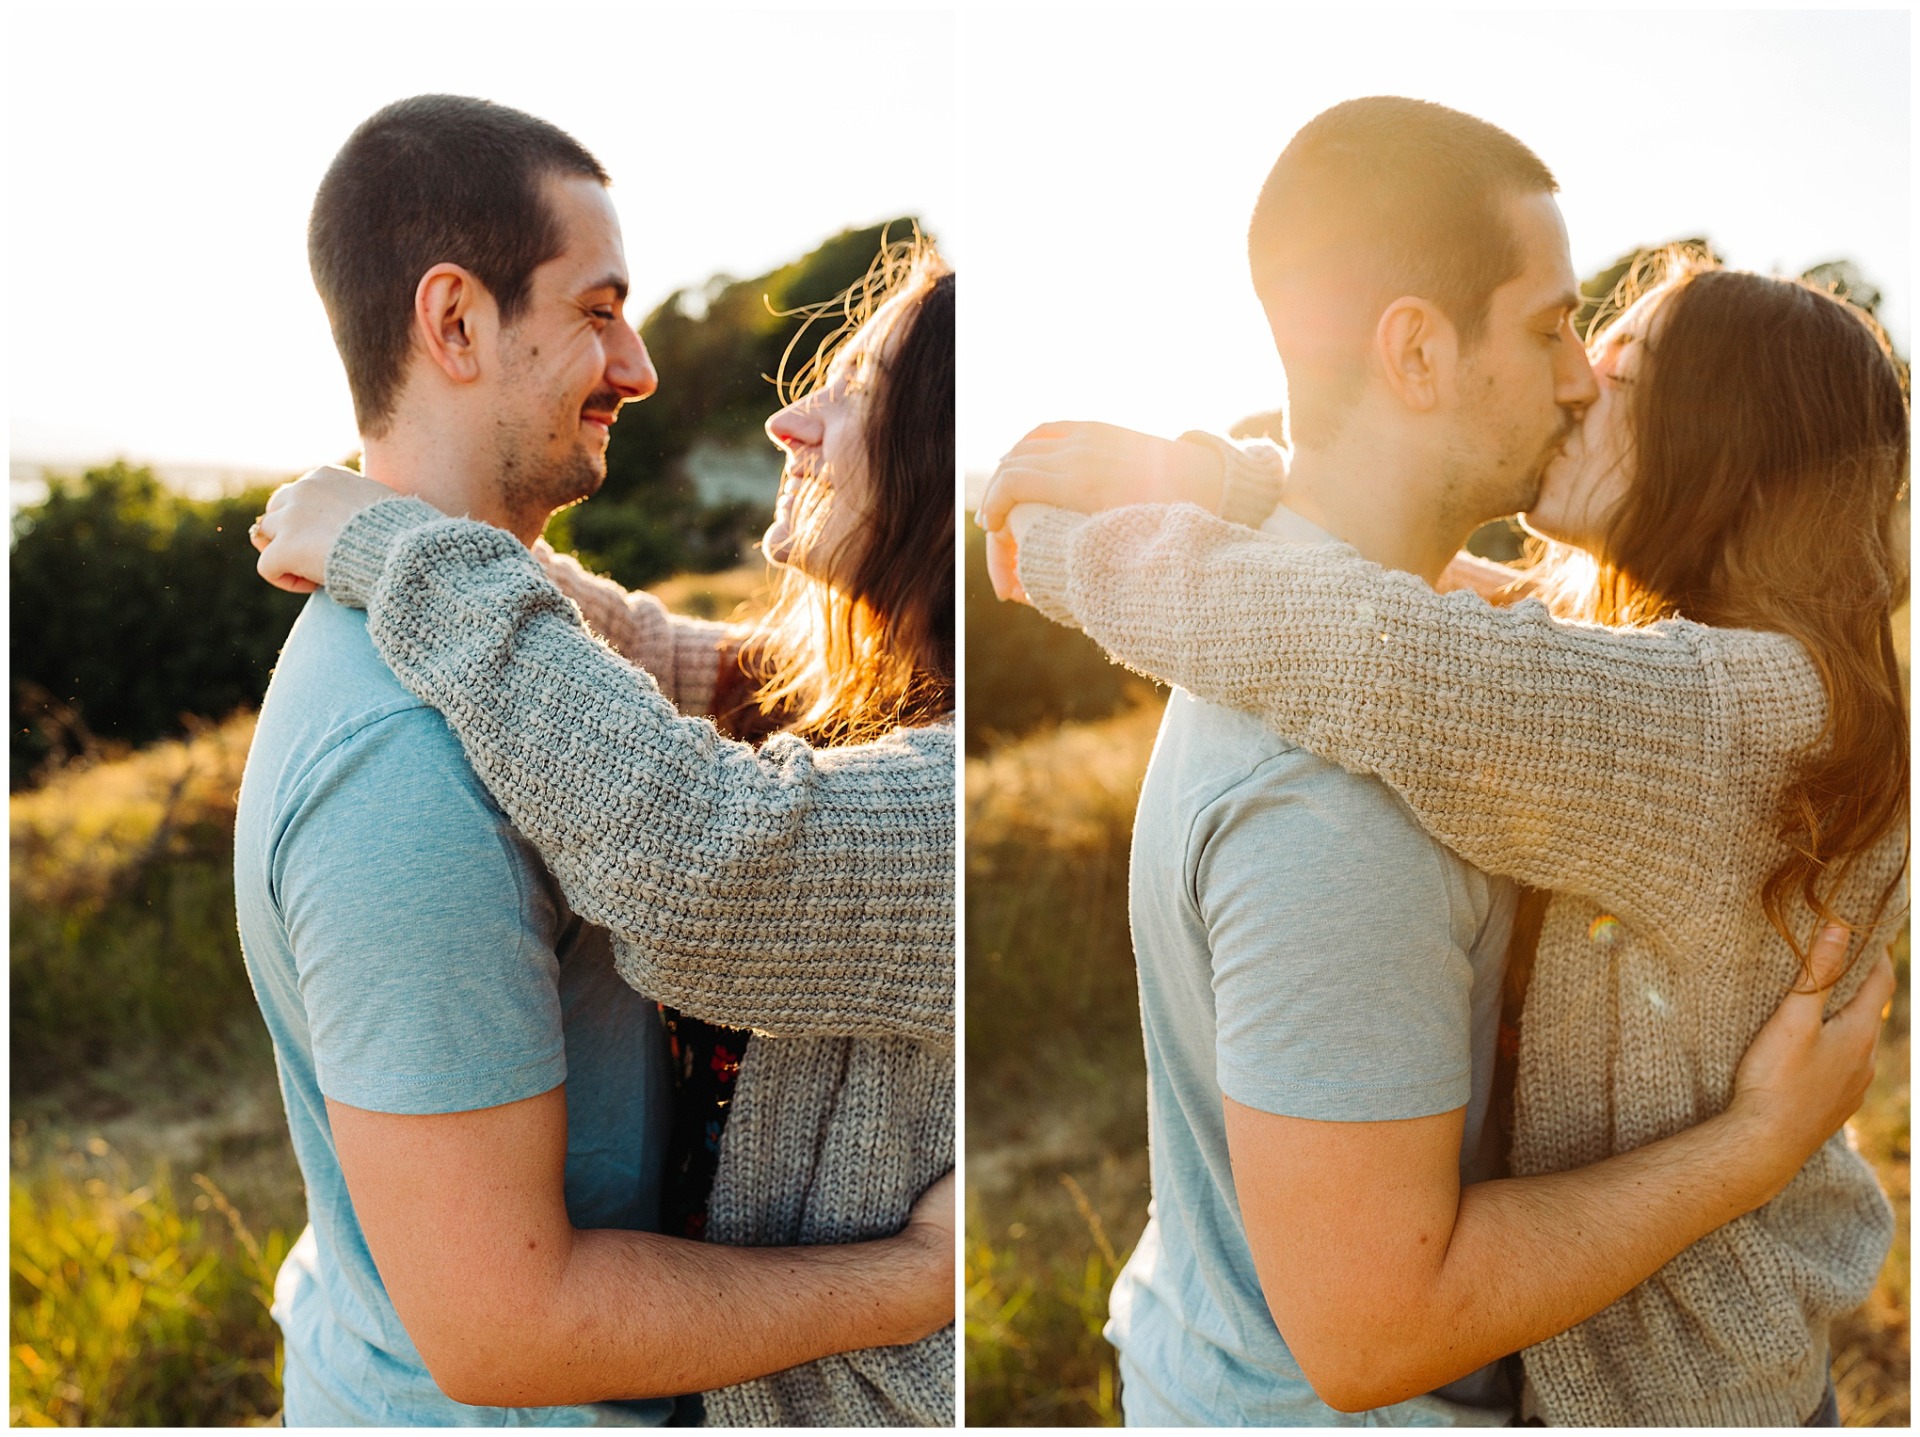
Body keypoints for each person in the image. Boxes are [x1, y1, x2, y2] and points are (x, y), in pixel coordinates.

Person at [975, 97, 1899, 1427]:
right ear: (1413, 350)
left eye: (1616, 369)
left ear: (1733, 458)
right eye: (1559, 331)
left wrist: (1063, 540)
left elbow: (1389, 650)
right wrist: (1231, 485)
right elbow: (1464, 629)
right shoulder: (1711, 678)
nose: (1579, 376)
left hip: (1686, 1390)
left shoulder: (1721, 715)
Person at [234, 95, 952, 1427]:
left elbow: (706, 837)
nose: (643, 364)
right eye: (602, 308)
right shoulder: (406, 756)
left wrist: (400, 541)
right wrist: (418, 544)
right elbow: (673, 666)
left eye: (850, 395)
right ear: (453, 323)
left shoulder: (943, 788)